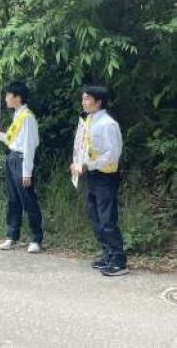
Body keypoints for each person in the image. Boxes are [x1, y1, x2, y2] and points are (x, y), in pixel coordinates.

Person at [70, 86, 128, 276]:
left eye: (87, 99)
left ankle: (119, 260)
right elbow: (84, 148)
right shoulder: (88, 121)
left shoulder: (108, 124)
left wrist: (89, 165)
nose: (84, 102)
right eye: (83, 99)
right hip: (93, 175)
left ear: (99, 102)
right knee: (95, 216)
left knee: (107, 218)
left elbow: (113, 155)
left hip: (106, 176)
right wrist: (78, 163)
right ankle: (108, 254)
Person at [0, 82, 44, 253]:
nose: (6, 99)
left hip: (22, 161)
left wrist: (27, 172)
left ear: (18, 97)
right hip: (12, 158)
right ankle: (11, 236)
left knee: (28, 200)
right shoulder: (17, 115)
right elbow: (11, 140)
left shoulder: (27, 117)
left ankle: (36, 239)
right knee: (13, 199)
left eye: (9, 95)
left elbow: (29, 146)